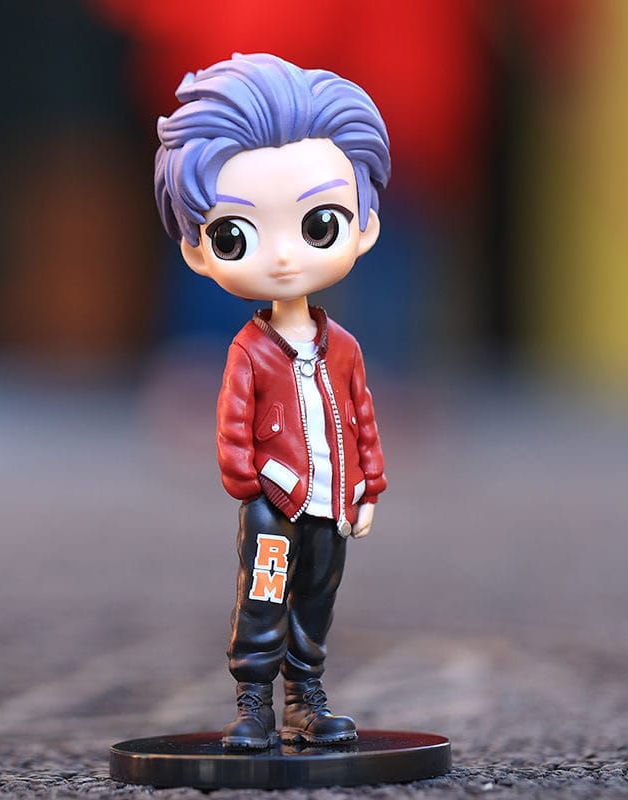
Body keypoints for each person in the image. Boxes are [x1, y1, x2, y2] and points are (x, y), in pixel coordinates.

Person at [154, 53, 390, 749]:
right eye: (237, 235)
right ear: (199, 250)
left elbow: (361, 415)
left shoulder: (343, 346)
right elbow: (233, 426)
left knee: (317, 597)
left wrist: (369, 486)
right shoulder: (250, 351)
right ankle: (253, 700)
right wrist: (252, 485)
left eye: (318, 226)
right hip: (275, 500)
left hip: (333, 499)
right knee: (264, 596)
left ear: (364, 225)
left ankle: (305, 698)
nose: (285, 258)